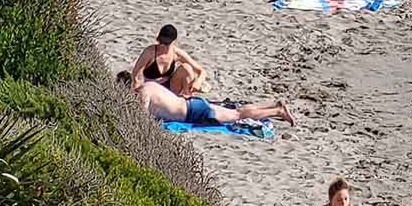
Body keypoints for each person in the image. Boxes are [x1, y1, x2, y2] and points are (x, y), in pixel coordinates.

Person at [121, 72, 293, 129]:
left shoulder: (143, 95)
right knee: (237, 111)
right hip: (192, 104)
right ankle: (273, 106)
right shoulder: (149, 85)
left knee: (237, 115)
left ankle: (277, 111)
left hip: (193, 112)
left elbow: (139, 120)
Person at [130, 25, 206, 97]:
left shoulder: (177, 53)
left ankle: (188, 97)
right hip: (151, 88)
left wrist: (198, 81)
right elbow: (136, 74)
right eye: (160, 42)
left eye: (166, 43)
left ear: (174, 41)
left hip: (169, 89)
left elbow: (201, 71)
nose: (162, 45)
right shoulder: (150, 52)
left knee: (187, 68)